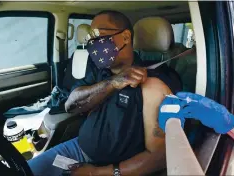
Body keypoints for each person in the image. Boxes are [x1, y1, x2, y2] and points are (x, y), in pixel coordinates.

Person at [28, 10, 181, 176]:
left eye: (98, 35)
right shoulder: (99, 70)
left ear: (125, 37)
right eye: (90, 38)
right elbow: (71, 105)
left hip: (117, 168)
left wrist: (98, 172)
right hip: (77, 150)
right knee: (24, 171)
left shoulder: (154, 82)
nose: (93, 43)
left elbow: (160, 156)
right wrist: (112, 83)